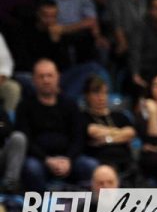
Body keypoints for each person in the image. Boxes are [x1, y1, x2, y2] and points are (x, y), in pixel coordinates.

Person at [17, 59, 97, 192]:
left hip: (69, 159)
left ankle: (85, 204)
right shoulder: (25, 106)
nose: (46, 80)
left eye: (49, 75)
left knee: (90, 165)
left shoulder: (70, 104)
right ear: (34, 80)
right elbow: (26, 140)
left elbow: (78, 137)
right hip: (39, 160)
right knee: (31, 168)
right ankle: (42, 204)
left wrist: (69, 159)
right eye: (41, 76)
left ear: (58, 77)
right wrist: (47, 160)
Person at [81, 75, 137, 179]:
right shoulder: (83, 117)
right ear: (87, 95)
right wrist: (119, 133)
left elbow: (130, 133)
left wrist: (107, 139)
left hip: (125, 161)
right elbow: (92, 131)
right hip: (99, 161)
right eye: (96, 93)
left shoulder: (119, 116)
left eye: (104, 93)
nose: (101, 97)